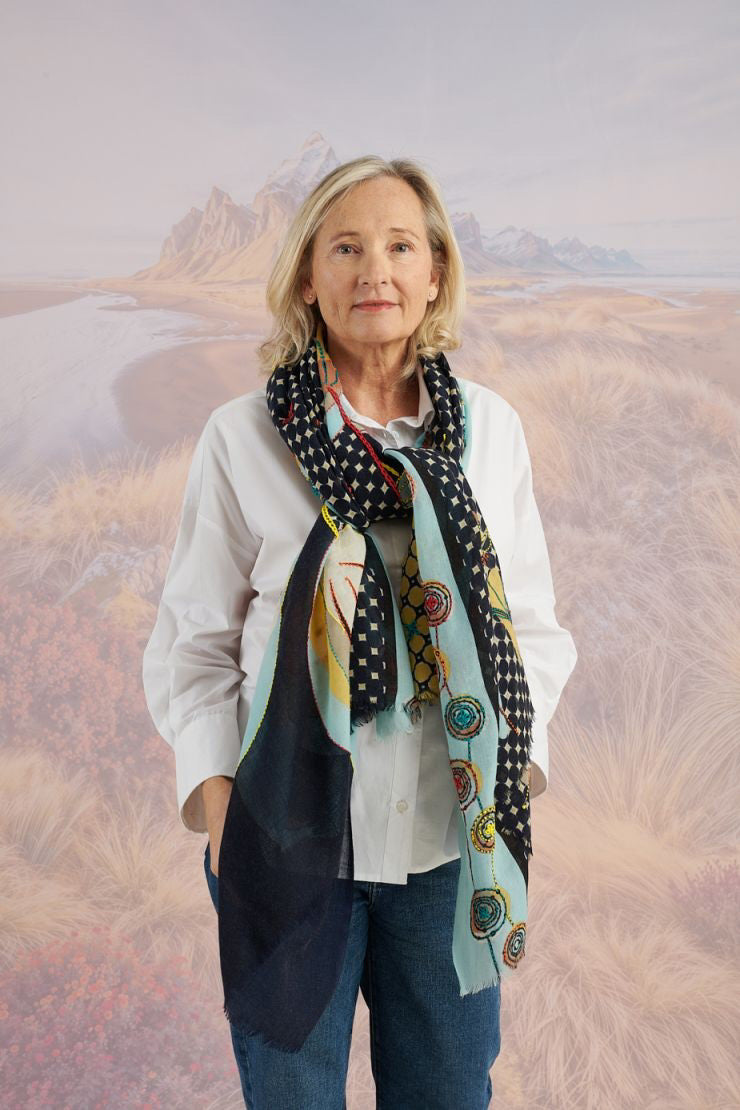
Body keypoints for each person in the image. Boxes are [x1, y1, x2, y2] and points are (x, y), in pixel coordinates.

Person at [142, 155, 578, 1109]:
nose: (373, 270)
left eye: (399, 246)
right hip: (286, 844)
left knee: (450, 1093)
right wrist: (223, 814)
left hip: (450, 839)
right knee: (291, 1094)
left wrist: (517, 769)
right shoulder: (242, 436)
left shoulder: (491, 434)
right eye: (345, 247)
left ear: (434, 275)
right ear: (309, 276)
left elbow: (532, 625)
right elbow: (195, 642)